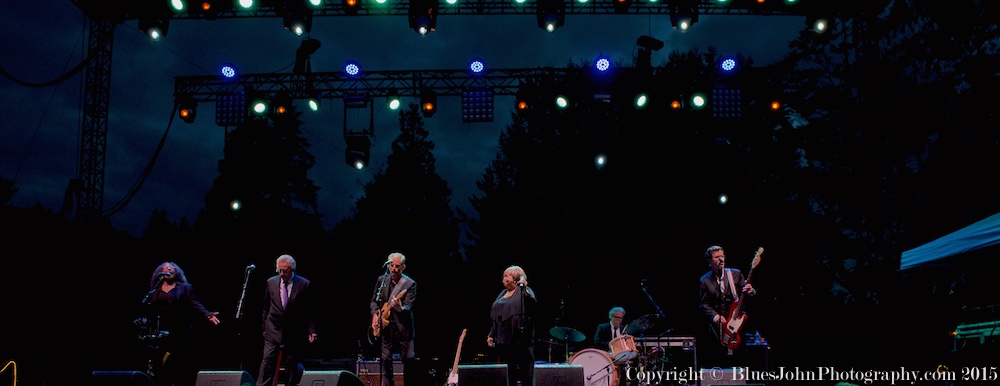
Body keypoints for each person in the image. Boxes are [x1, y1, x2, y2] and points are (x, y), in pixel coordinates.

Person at [142, 262, 221, 386]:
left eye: (171, 267)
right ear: (160, 272)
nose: (168, 268)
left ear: (176, 271)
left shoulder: (185, 288)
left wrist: (207, 314)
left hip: (181, 332)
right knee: (163, 369)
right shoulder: (155, 291)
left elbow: (195, 303)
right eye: (165, 267)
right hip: (162, 334)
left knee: (179, 367)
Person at [257, 254, 318, 386]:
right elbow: (266, 307)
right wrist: (264, 328)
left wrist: (311, 330)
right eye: (279, 270)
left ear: (292, 270)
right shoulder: (271, 282)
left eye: (285, 270)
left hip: (294, 329)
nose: (282, 273)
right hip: (273, 327)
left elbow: (310, 309)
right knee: (268, 360)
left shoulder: (304, 284)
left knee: (291, 362)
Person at [699, 245, 756, 368]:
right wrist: (715, 316)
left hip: (737, 321)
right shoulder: (705, 280)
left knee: (739, 355)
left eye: (722, 256)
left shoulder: (735, 273)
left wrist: (751, 291)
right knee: (719, 358)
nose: (721, 260)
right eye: (717, 257)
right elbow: (704, 304)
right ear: (709, 261)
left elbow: (747, 293)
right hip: (719, 325)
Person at [369, 252, 417, 386]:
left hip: (403, 327)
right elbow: (374, 301)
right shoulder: (382, 280)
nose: (394, 269)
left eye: (397, 266)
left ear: (403, 267)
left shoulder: (409, 284)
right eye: (391, 265)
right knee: (385, 360)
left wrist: (399, 307)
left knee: (408, 360)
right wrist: (375, 314)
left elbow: (408, 306)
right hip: (385, 326)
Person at [487, 265, 537, 386]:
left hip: (521, 337)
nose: (503, 278)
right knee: (509, 370)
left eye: (507, 276)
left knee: (526, 369)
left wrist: (524, 287)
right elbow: (497, 316)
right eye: (503, 276)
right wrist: (491, 334)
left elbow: (532, 305)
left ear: (516, 278)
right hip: (504, 338)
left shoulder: (525, 291)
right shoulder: (502, 293)